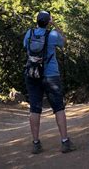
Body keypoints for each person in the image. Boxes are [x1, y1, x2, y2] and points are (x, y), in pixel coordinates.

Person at [23, 10, 76, 154]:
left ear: (37, 20)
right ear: (48, 21)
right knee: (59, 108)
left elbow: (25, 47)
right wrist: (55, 25)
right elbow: (64, 41)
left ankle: (36, 143)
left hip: (32, 74)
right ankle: (65, 142)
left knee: (34, 108)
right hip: (51, 75)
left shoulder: (29, 33)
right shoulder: (52, 34)